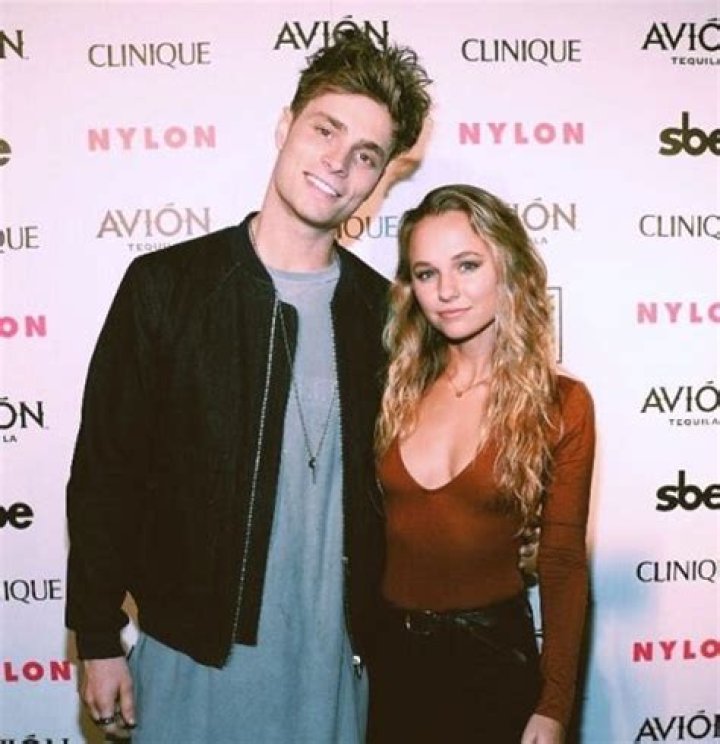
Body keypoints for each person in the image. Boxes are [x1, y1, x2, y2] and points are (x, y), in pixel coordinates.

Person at [65, 30, 431, 743]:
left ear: (381, 179)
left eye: (367, 155)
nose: (339, 163)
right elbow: (106, 473)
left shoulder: (385, 315)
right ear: (285, 124)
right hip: (192, 662)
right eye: (326, 129)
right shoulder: (167, 287)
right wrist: (99, 637)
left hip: (333, 677)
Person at [368, 184, 595, 744]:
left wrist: (555, 705)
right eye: (426, 273)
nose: (446, 291)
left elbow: (562, 563)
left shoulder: (561, 404)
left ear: (507, 268)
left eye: (467, 265)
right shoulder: (392, 390)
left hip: (494, 662)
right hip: (392, 664)